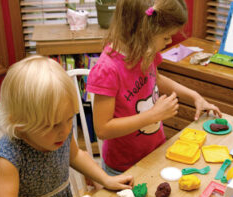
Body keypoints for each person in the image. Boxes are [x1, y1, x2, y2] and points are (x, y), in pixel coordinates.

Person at [0, 55, 133, 197]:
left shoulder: (61, 131)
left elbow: (75, 155)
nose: (64, 130)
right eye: (53, 125)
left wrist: (106, 179)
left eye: (69, 118)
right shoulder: (9, 156)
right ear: (19, 123)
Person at [87, 0, 222, 176]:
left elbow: (156, 79)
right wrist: (152, 115)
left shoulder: (144, 50)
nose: (170, 41)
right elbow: (103, 129)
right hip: (123, 168)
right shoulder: (108, 69)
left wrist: (194, 96)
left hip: (155, 152)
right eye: (166, 37)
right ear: (143, 32)